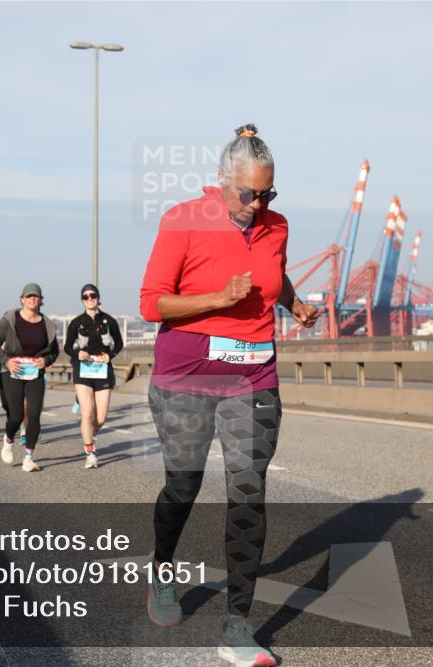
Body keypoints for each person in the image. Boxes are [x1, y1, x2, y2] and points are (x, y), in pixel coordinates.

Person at [138, 124, 318, 666]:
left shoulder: (276, 226)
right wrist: (218, 297)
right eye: (248, 194)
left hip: (253, 376)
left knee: (247, 490)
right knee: (184, 485)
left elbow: (275, 274)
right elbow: (152, 305)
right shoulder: (183, 220)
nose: (258, 204)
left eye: (268, 194)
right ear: (221, 183)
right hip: (186, 376)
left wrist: (294, 303)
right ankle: (162, 571)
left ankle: (239, 626)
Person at [0, 283, 59, 472]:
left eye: (36, 296)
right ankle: (8, 439)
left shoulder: (48, 325)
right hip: (13, 371)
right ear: (22, 299)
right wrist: (6, 361)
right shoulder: (10, 319)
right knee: (17, 415)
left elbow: (54, 351)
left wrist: (46, 360)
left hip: (35, 373)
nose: (32, 299)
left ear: (41, 301)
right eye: (29, 296)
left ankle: (29, 457)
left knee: (34, 415)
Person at [63, 283, 124, 469]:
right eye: (86, 297)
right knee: (87, 413)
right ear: (82, 300)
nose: (90, 299)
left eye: (93, 296)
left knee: (101, 418)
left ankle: (90, 433)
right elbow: (66, 347)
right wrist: (77, 354)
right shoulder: (76, 322)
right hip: (83, 371)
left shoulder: (109, 321)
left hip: (103, 371)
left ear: (98, 298)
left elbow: (119, 344)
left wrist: (110, 355)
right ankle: (90, 453)